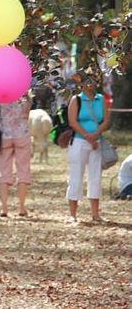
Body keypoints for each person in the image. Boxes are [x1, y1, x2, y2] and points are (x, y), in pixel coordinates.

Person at [66, 74, 111, 223]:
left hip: (96, 143)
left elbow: (105, 120)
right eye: (87, 81)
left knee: (95, 177)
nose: (90, 84)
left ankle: (95, 214)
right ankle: (73, 214)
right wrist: (87, 136)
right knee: (76, 176)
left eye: (92, 81)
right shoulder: (76, 100)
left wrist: (96, 135)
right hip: (79, 142)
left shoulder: (100, 100)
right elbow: (72, 121)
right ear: (82, 85)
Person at [0, 94, 32, 217]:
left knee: (4, 170)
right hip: (22, 134)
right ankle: (21, 207)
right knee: (23, 169)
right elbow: (27, 115)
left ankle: (4, 208)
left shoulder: (1, 95)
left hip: (5, 135)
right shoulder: (24, 97)